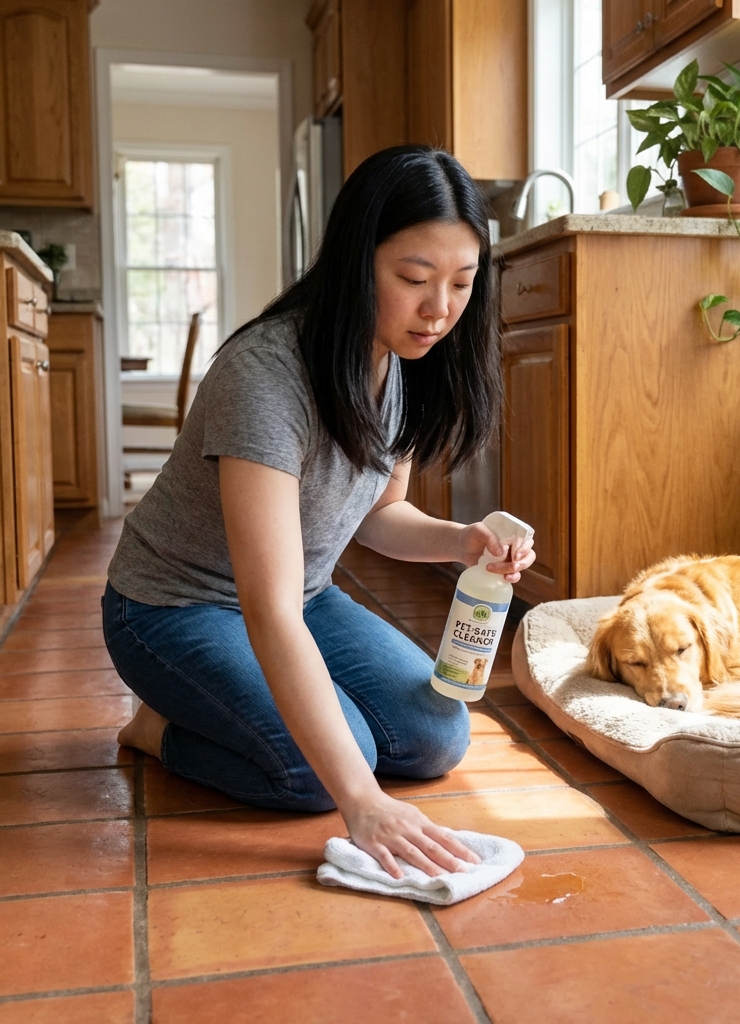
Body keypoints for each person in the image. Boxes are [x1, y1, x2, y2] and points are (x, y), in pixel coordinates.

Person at [103, 145, 535, 879]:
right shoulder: (265, 378)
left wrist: (462, 541)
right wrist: (361, 801)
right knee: (321, 774)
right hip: (171, 610)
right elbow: (266, 608)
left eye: (462, 284)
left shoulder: (399, 363)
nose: (439, 310)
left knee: (436, 737)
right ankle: (158, 729)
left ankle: (253, 722)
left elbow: (378, 514)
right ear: (356, 262)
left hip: (302, 598)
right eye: (413, 279)